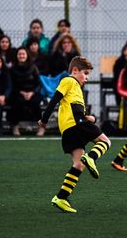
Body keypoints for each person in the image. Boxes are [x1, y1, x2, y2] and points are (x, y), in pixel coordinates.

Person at [38, 56, 111, 213]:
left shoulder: (75, 89)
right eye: (85, 73)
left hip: (69, 130)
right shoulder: (69, 81)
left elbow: (75, 109)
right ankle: (92, 157)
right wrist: (44, 120)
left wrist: (89, 117)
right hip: (75, 125)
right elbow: (54, 100)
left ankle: (61, 197)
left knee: (79, 165)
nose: (86, 78)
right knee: (105, 142)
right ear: (75, 71)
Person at [8, 46, 44, 136]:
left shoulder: (33, 67)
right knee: (17, 102)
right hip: (18, 92)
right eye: (19, 54)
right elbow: (11, 84)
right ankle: (15, 126)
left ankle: (41, 127)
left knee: (35, 103)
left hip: (33, 92)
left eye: (23, 54)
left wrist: (32, 93)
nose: (21, 56)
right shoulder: (12, 69)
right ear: (16, 56)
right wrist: (22, 93)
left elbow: (39, 84)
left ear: (27, 55)